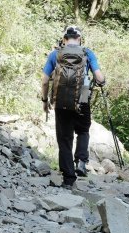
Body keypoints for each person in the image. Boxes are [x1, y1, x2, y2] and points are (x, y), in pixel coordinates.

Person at [41, 25, 106, 188]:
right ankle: (81, 161)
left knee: (64, 139)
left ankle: (69, 179)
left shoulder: (55, 54)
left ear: (64, 39)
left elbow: (44, 80)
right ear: (79, 39)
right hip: (82, 97)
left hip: (61, 99)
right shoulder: (87, 53)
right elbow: (98, 77)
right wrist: (102, 81)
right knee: (83, 130)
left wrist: (44, 100)